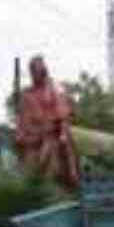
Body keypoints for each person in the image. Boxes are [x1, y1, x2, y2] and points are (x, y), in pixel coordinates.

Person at [15, 56, 80, 191]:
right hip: (31, 139)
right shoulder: (27, 95)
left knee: (62, 144)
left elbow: (62, 115)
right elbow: (21, 119)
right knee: (24, 162)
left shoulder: (53, 90)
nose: (35, 74)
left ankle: (72, 177)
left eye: (38, 70)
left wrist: (61, 134)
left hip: (50, 135)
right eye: (33, 71)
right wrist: (20, 136)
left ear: (43, 71)